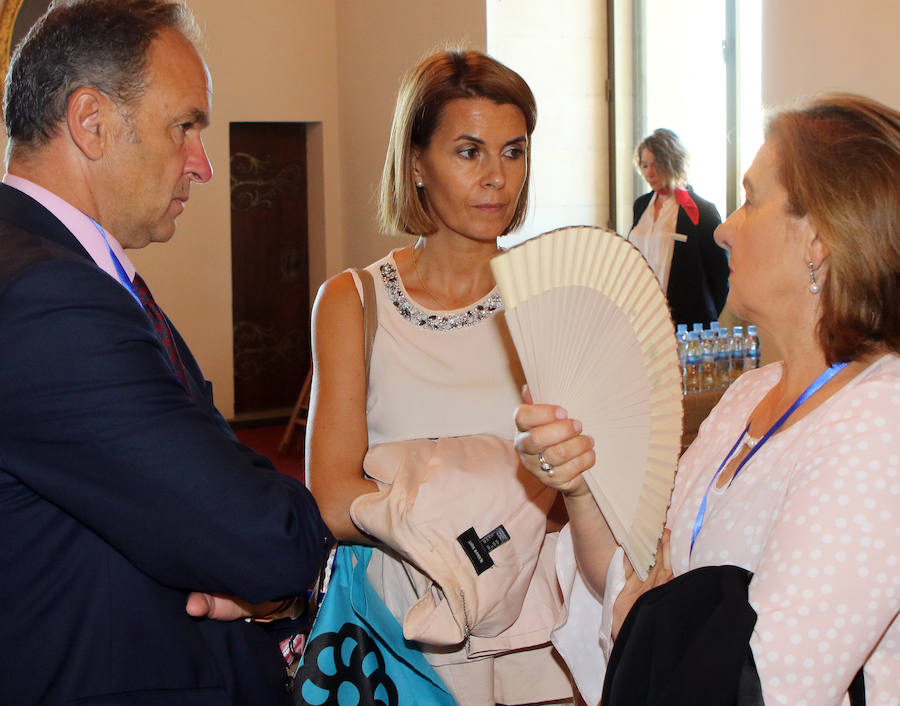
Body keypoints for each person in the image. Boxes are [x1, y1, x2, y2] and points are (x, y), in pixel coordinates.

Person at [514, 94, 900, 704]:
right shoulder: (748, 395)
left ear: (818, 241)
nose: (723, 229)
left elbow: (766, 684)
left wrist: (648, 612)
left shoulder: (878, 426)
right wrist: (580, 485)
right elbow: (628, 574)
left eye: (750, 200)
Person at [0, 2, 330, 704]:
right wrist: (277, 574)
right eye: (185, 126)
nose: (204, 165)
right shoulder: (48, 297)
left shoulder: (58, 268)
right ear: (91, 122)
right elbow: (263, 539)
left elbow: (203, 470)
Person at [305, 50, 573, 704]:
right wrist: (485, 495)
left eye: (513, 152)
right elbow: (334, 497)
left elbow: (584, 488)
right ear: (417, 162)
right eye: (469, 152)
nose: (496, 179)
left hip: (533, 632)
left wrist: (425, 486)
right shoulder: (353, 301)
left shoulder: (554, 300)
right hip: (404, 634)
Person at [629, 128, 729, 326]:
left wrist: (703, 317)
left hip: (687, 321)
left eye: (656, 164)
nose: (649, 172)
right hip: (643, 316)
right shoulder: (641, 205)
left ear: (672, 162)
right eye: (645, 165)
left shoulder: (702, 210)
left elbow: (720, 276)